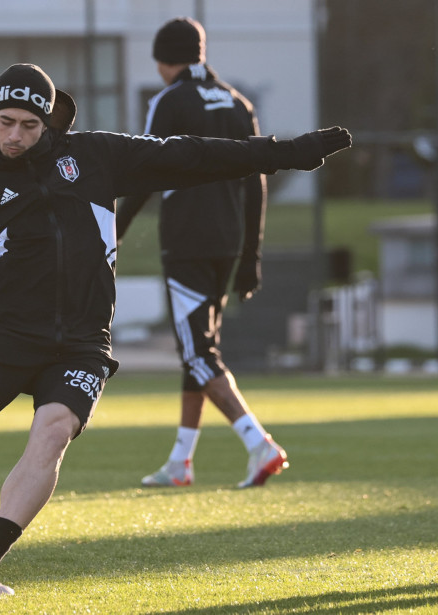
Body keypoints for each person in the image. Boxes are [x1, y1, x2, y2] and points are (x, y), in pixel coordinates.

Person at [0, 62, 351, 597]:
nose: (15, 136)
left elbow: (191, 154)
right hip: (3, 339)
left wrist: (286, 153)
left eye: (29, 126)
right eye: (5, 122)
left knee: (51, 433)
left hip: (82, 343)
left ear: (49, 123)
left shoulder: (96, 157)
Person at [117, 17, 291, 490]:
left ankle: (259, 444)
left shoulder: (169, 101)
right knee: (199, 349)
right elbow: (257, 178)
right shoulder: (238, 103)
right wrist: (251, 254)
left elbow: (144, 171)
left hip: (187, 244)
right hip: (227, 243)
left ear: (163, 59)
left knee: (197, 353)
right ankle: (180, 462)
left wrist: (111, 233)